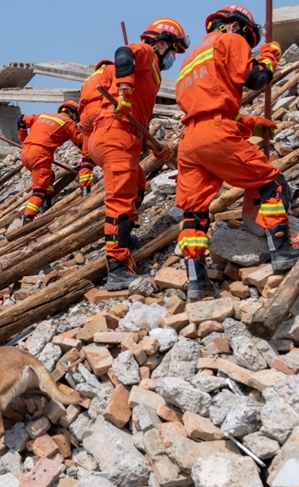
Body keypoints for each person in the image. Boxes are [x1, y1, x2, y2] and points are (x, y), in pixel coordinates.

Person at [174, 5, 297, 300]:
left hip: (189, 141)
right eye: (248, 38)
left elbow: (205, 105)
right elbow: (255, 79)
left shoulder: (189, 63)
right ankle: (282, 250)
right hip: (214, 132)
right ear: (237, 26)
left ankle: (196, 282)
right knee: (271, 183)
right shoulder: (231, 39)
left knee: (194, 212)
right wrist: (268, 56)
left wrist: (249, 123)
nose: (248, 44)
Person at [89, 18, 189, 291]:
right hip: (115, 134)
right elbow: (124, 54)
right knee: (120, 201)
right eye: (174, 50)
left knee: (138, 184)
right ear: (161, 42)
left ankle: (126, 237)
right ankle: (117, 268)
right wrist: (124, 88)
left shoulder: (153, 72)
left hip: (125, 136)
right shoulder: (146, 53)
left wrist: (154, 146)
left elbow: (138, 116)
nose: (174, 58)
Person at [17, 101, 83, 224]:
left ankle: (46, 205)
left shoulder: (44, 115)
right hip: (40, 155)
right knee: (38, 191)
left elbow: (21, 120)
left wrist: (23, 138)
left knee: (48, 177)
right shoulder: (68, 123)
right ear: (74, 114)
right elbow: (81, 143)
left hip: (25, 152)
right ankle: (27, 220)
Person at [77, 59, 114, 196]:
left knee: (87, 155)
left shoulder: (87, 80)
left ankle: (85, 189)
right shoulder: (110, 70)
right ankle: (112, 181)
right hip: (99, 107)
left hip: (84, 116)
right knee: (111, 142)